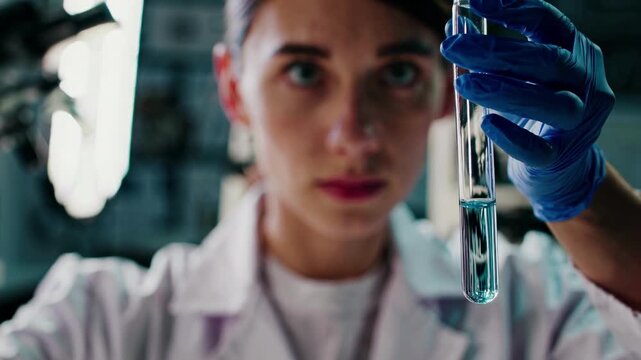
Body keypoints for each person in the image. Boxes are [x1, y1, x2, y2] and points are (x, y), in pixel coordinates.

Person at [1, 0, 641, 358]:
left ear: (449, 95)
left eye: (397, 75)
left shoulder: (533, 310)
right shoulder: (100, 324)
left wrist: (589, 199)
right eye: (304, 73)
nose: (354, 134)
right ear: (233, 89)